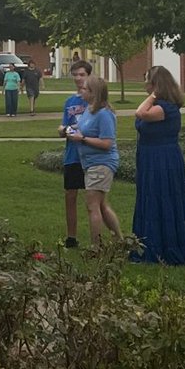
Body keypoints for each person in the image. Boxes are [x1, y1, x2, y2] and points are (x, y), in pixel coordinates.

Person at [130, 66, 185, 265]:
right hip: (149, 157)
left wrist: (153, 96)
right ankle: (144, 243)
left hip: (163, 159)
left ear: (156, 85)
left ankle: (163, 247)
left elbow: (140, 112)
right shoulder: (158, 105)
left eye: (147, 81)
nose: (144, 84)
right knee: (148, 197)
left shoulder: (164, 108)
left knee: (162, 198)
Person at [66, 76, 121, 249]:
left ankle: (96, 247)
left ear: (94, 93)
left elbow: (107, 143)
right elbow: (81, 129)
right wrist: (69, 131)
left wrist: (83, 139)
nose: (81, 90)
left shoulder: (105, 114)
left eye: (85, 89)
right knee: (102, 205)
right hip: (89, 164)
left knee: (92, 205)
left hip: (102, 164)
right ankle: (120, 240)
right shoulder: (89, 110)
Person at [59, 59, 93, 248]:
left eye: (82, 74)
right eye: (75, 75)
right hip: (72, 156)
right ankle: (71, 237)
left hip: (90, 155)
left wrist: (68, 131)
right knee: (70, 195)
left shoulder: (94, 101)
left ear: (89, 76)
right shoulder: (70, 102)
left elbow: (86, 132)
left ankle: (100, 237)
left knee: (93, 199)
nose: (78, 78)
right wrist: (63, 130)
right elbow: (65, 127)